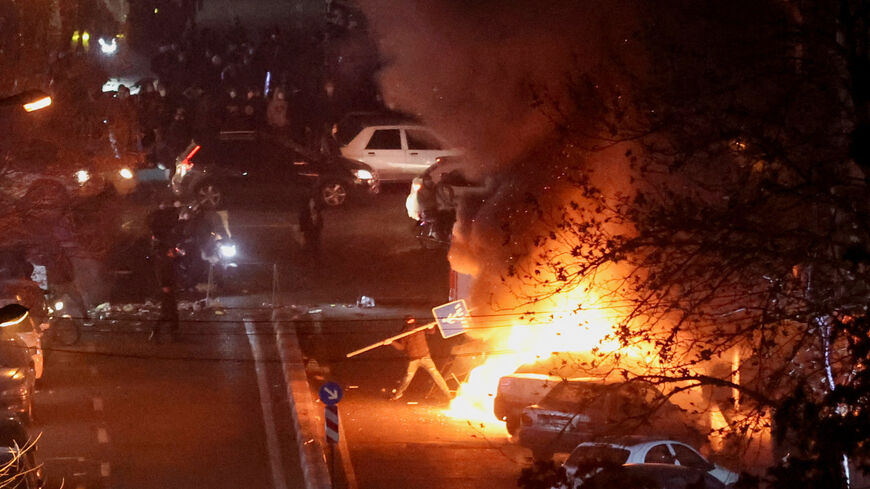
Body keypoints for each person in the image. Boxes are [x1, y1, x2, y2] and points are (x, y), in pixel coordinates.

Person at [388, 317, 452, 401]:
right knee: (408, 377)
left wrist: (431, 327)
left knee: (436, 375)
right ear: (406, 322)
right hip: (413, 360)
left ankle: (448, 395)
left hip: (425, 357)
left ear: (414, 321)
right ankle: (398, 394)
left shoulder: (420, 327)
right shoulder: (404, 333)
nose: (411, 323)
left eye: (412, 320)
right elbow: (401, 347)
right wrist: (391, 342)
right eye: (409, 321)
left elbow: (431, 331)